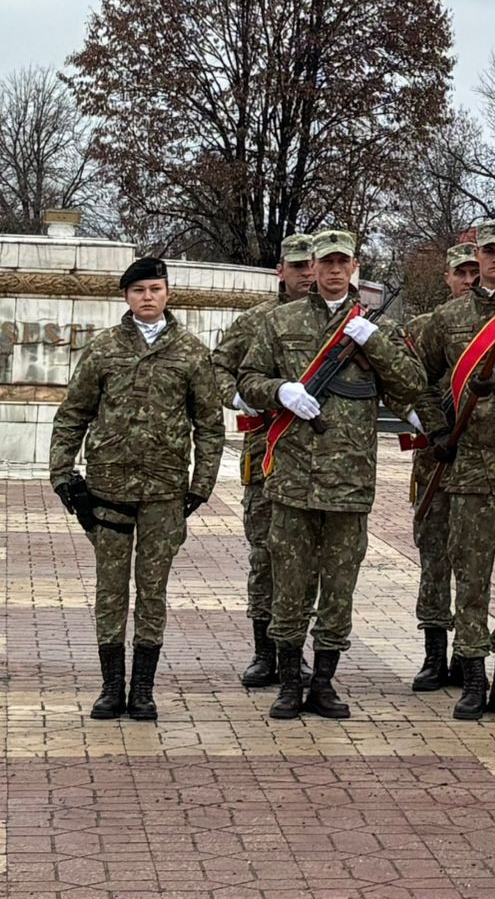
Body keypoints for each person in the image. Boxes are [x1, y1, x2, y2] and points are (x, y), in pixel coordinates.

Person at [232, 229, 444, 720]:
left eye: (340, 262)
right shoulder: (279, 322)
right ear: (313, 265)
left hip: (349, 481)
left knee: (339, 586)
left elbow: (411, 384)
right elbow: (247, 379)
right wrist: (280, 391)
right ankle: (289, 682)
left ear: (354, 267)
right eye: (323, 262)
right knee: (289, 583)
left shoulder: (375, 327)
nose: (330, 270)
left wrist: (376, 345)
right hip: (290, 479)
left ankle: (324, 682)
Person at [48, 256, 223, 722]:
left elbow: (209, 424)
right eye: (139, 290)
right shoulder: (104, 349)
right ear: (125, 297)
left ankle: (142, 688)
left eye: (155, 289)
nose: (148, 297)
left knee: (152, 589)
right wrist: (62, 474)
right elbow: (73, 414)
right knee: (110, 590)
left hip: (166, 490)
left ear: (168, 294)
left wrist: (201, 484)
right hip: (110, 487)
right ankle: (110, 688)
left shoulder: (190, 351)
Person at [411, 217, 495, 721]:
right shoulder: (448, 318)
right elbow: (416, 380)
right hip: (467, 473)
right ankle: (472, 679)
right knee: (469, 580)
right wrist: (437, 429)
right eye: (486, 250)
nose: (493, 259)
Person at [211, 231, 317, 691]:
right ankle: (264, 652)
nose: (308, 274)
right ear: (281, 272)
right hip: (267, 457)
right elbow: (216, 366)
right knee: (266, 555)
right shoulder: (255, 321)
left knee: (307, 558)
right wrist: (237, 396)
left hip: (318, 459)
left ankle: (296, 650)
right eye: (298, 267)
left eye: (313, 266)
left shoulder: (340, 322)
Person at [407, 240, 480, 691]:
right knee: (434, 558)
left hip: (487, 461)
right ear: (447, 278)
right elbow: (411, 385)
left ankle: (466, 655)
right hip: (437, 460)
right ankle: (434, 654)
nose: (469, 280)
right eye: (462, 273)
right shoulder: (424, 326)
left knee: (472, 561)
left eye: (476, 272)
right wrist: (433, 429)